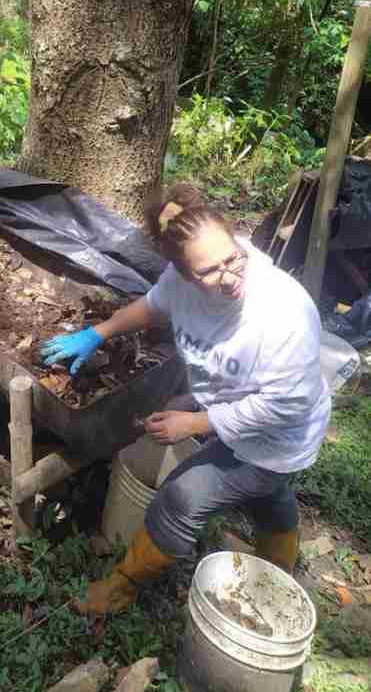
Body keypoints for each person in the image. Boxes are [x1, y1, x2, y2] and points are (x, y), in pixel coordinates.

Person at [39, 182, 331, 615]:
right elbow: (156, 305)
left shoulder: (283, 313)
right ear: (182, 270)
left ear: (235, 239)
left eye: (233, 259)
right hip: (236, 410)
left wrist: (193, 423)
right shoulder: (181, 279)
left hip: (276, 436)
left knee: (180, 501)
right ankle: (281, 560)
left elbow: (285, 404)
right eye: (209, 272)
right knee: (268, 494)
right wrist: (97, 332)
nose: (230, 277)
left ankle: (121, 587)